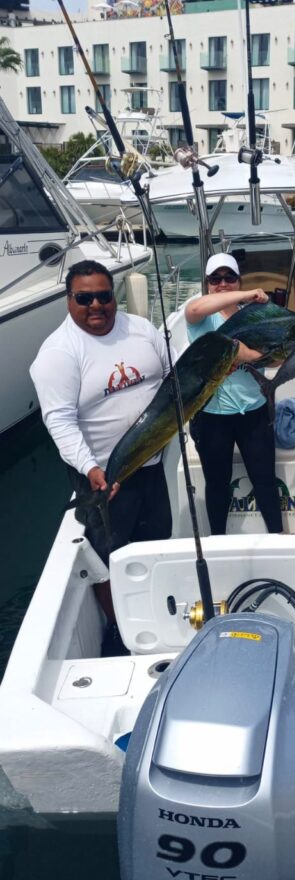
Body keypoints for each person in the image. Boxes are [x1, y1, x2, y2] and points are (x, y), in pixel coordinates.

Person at [30, 260, 173, 655]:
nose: (96, 305)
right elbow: (58, 421)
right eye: (84, 298)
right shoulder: (59, 353)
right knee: (107, 554)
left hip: (151, 463)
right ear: (68, 300)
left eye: (104, 296)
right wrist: (92, 469)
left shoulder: (142, 330)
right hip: (103, 476)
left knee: (155, 538)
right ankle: (122, 630)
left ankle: (154, 608)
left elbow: (170, 377)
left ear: (115, 296)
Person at [185, 253, 283, 536]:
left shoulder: (254, 315)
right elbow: (194, 308)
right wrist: (255, 354)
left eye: (229, 278)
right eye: (216, 279)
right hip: (212, 415)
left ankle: (276, 537)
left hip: (254, 411)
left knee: (265, 480)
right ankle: (217, 539)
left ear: (238, 279)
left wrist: (253, 355)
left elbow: (277, 357)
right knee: (217, 483)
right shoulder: (202, 318)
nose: (223, 284)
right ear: (207, 284)